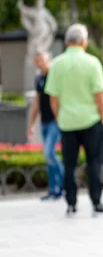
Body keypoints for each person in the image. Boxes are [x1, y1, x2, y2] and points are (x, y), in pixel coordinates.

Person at [44, 24, 103, 216]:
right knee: (94, 163)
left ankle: (71, 203)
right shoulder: (92, 62)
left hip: (67, 122)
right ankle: (96, 202)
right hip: (91, 120)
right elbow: (100, 96)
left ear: (66, 42)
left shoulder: (56, 64)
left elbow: (53, 98)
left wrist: (59, 117)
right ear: (84, 41)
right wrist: (102, 118)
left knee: (69, 164)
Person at [27, 52, 64, 200]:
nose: (39, 63)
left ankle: (64, 184)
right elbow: (36, 103)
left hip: (56, 121)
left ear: (49, 60)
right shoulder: (39, 78)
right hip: (44, 122)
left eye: (42, 59)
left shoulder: (54, 76)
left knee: (49, 153)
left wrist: (61, 119)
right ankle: (53, 189)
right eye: (37, 60)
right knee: (49, 157)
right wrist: (31, 124)